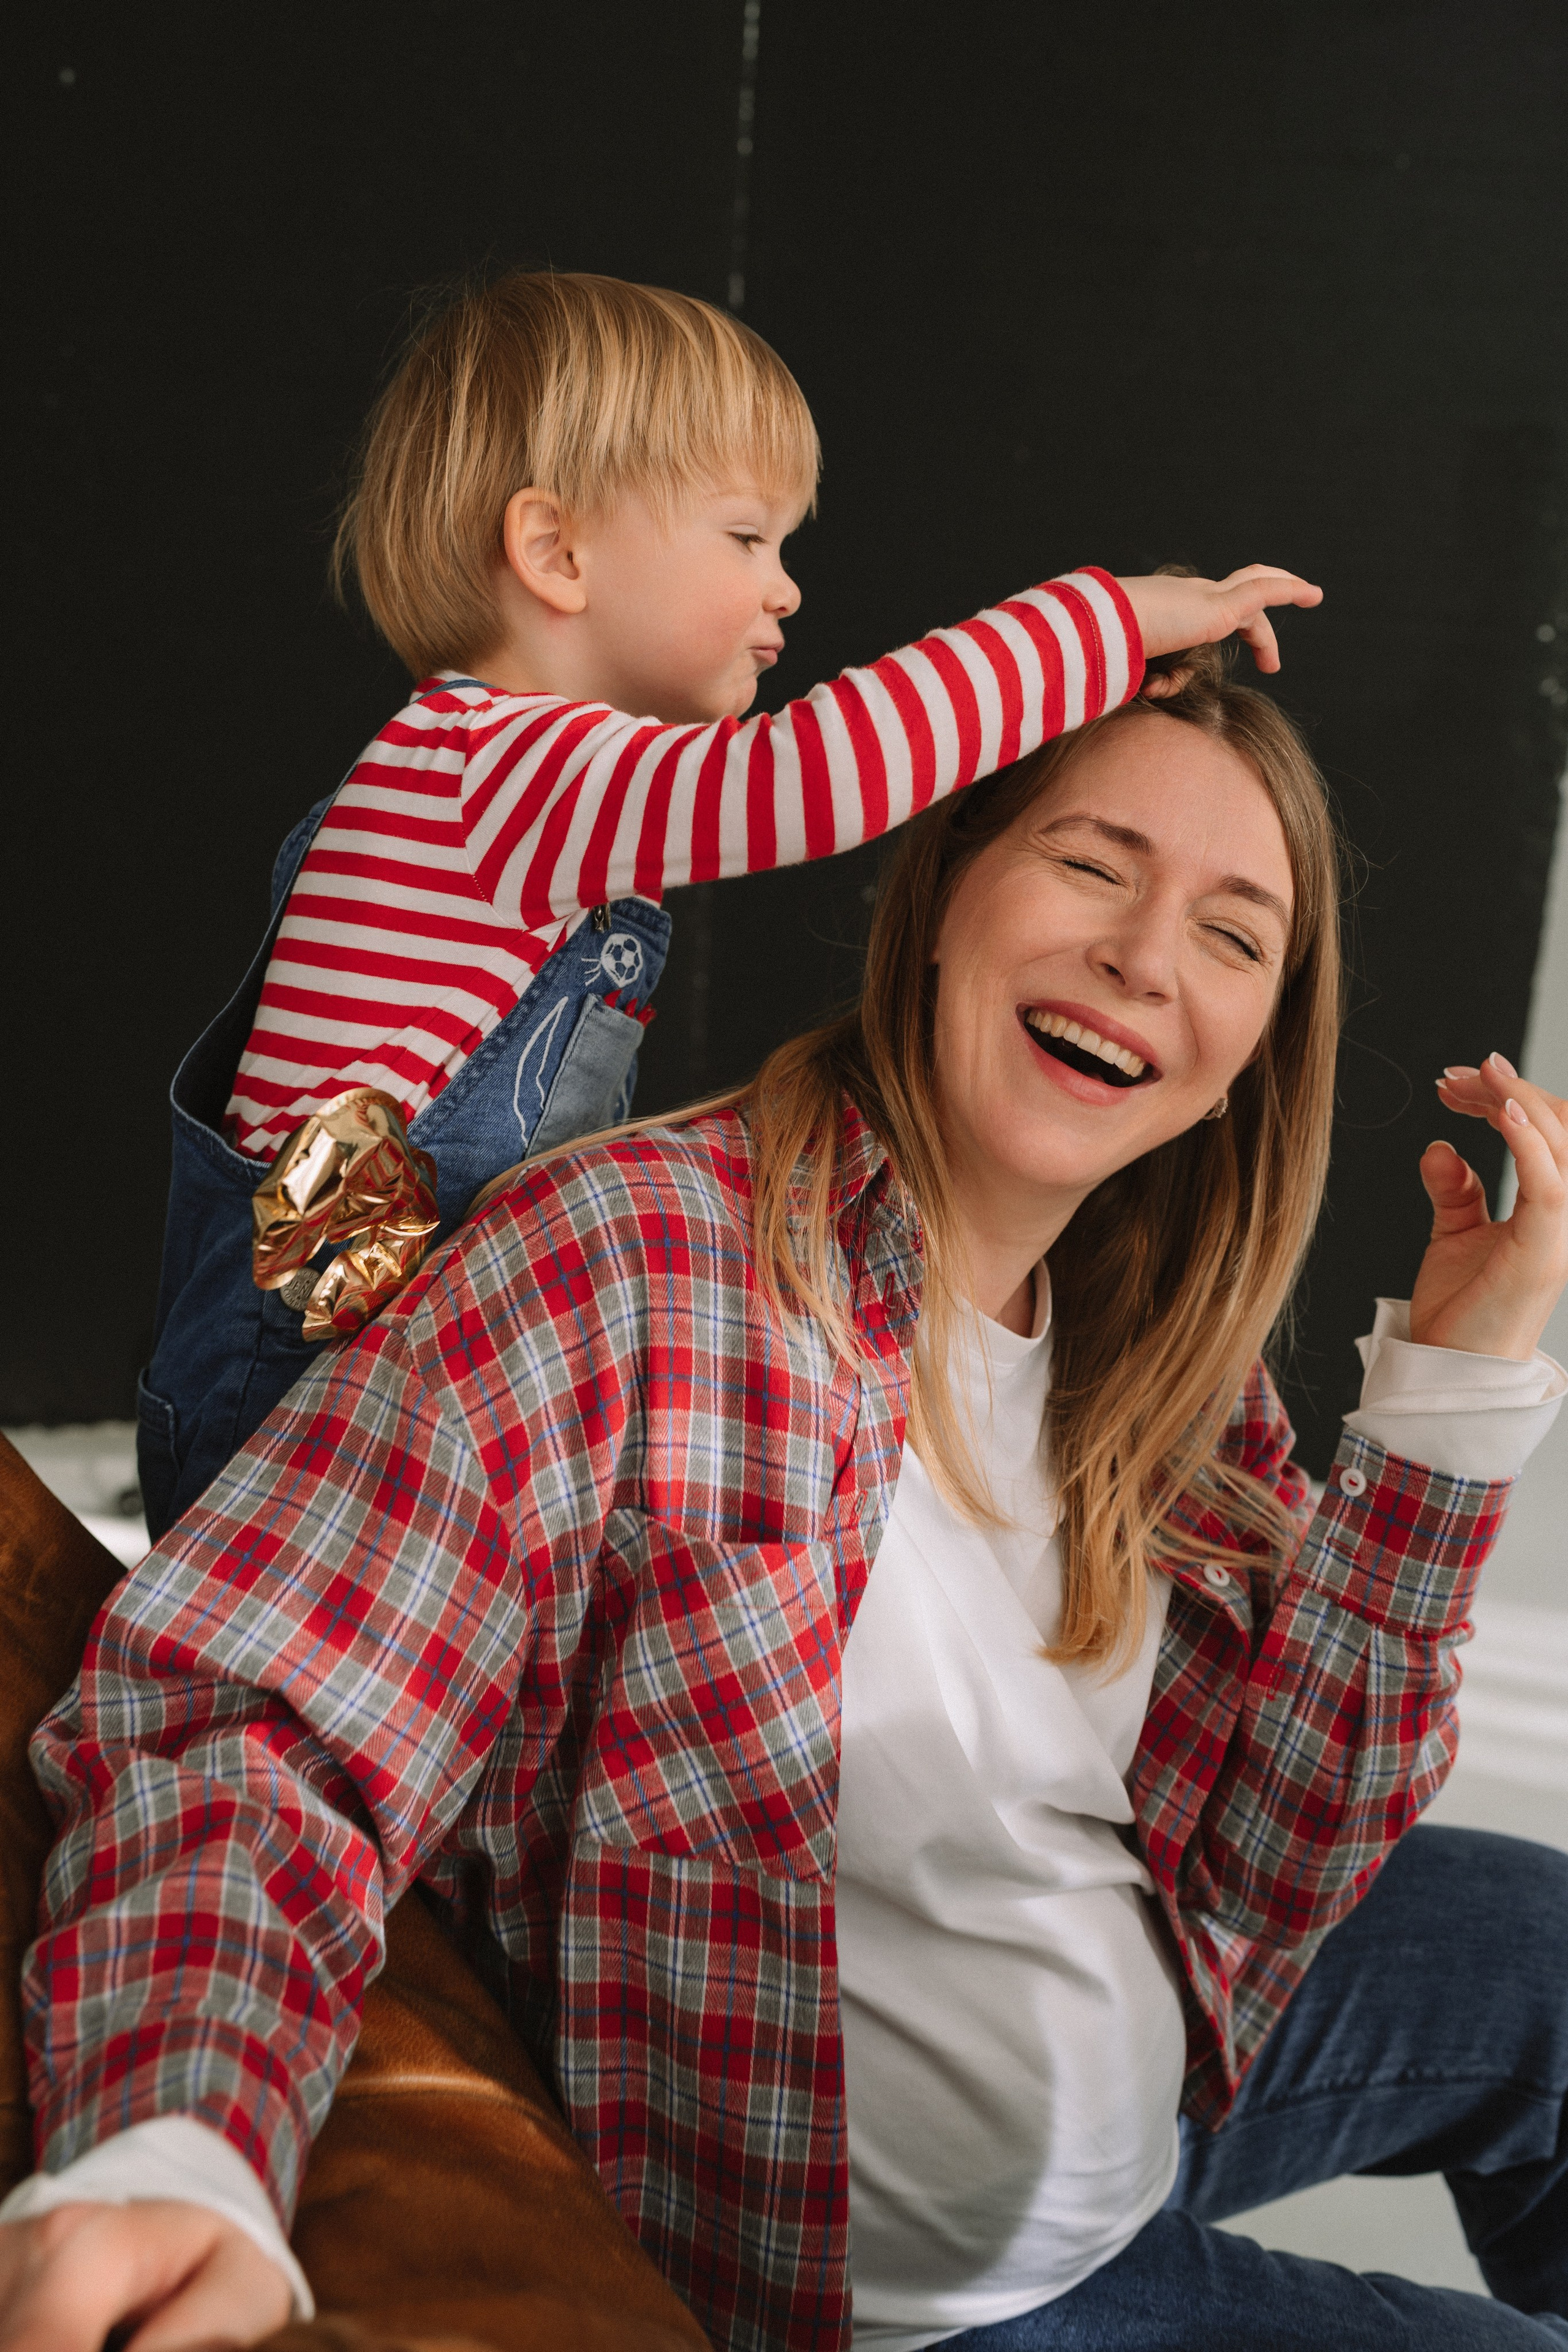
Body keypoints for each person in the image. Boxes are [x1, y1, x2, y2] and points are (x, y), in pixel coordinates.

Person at [12, 644, 1567, 2352]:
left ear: (1260, 1040)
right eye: (1089, 865)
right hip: (914, 2293)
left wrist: (1454, 1402)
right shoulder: (627, 1260)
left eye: (1231, 932)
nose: (1142, 959)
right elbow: (257, 1732)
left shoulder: (1172, 1374)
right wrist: (175, 2140)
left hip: (1161, 2076)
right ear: (945, 893)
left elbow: (1277, 1867)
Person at [135, 264, 1320, 1544]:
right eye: (746, 537)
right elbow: (828, 772)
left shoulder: (495, 783)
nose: (785, 589)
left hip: (368, 1367)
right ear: (555, 553)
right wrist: (1109, 621)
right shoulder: (500, 772)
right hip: (307, 1388)